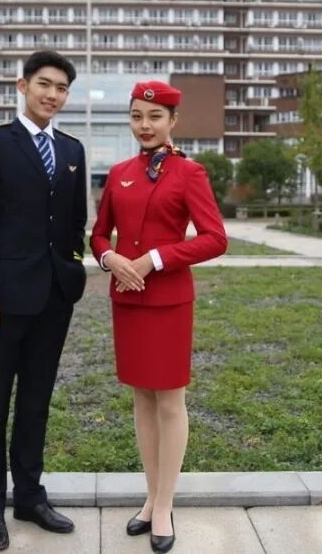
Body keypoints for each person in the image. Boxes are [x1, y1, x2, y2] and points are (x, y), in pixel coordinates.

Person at [90, 80, 227, 553]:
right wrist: (109, 259)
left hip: (168, 301)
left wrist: (156, 258)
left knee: (170, 401)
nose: (144, 125)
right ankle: (150, 498)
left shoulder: (190, 172)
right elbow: (98, 234)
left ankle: (165, 505)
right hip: (127, 299)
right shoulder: (119, 173)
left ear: (172, 121)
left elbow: (215, 238)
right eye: (136, 117)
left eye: (154, 117)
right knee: (142, 400)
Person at [0, 50, 87, 551]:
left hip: (54, 298)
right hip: (5, 299)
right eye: (44, 84)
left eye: (61, 88)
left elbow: (75, 220)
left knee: (36, 403)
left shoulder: (73, 148)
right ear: (22, 86)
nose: (52, 95)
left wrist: (72, 268)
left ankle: (30, 498)